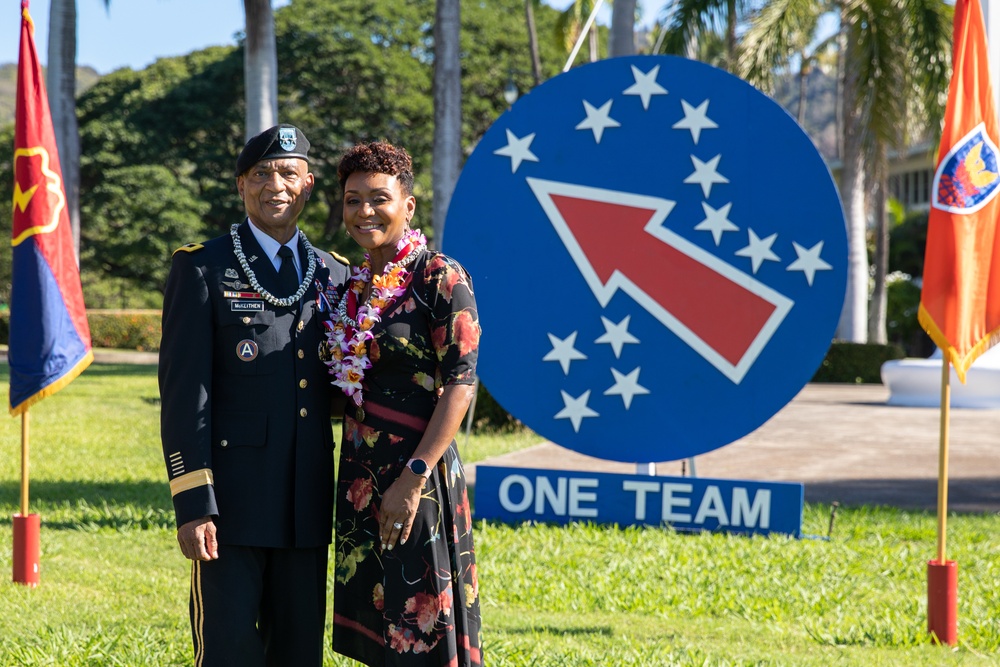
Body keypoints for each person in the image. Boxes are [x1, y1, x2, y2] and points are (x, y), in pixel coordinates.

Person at [158, 124, 350, 667]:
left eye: (289, 173)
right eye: (261, 174)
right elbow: (184, 395)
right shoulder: (201, 266)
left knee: (298, 654)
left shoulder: (335, 274)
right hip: (231, 508)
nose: (276, 185)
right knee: (229, 652)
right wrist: (194, 504)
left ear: (308, 184)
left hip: (305, 503)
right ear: (241, 185)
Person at [325, 141, 483, 666]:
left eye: (378, 198)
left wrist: (413, 478)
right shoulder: (352, 285)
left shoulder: (439, 276)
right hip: (359, 477)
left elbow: (461, 383)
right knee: (376, 634)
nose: (364, 211)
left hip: (417, 476)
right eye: (352, 200)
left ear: (408, 205)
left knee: (421, 631)